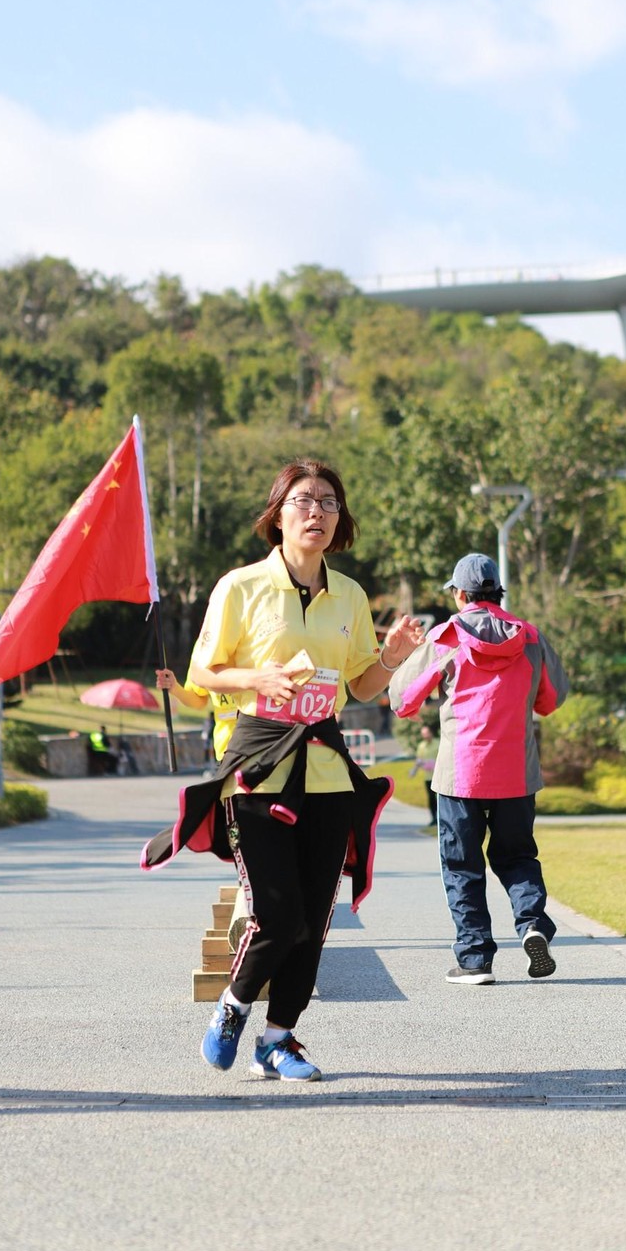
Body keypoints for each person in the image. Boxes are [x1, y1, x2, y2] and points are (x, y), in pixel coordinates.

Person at [144, 458, 424, 1081]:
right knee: (279, 915)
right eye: (304, 499)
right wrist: (258, 678)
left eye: (328, 501)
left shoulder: (348, 593)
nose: (317, 511)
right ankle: (234, 1005)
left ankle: (280, 1039)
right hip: (255, 768)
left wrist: (394, 657)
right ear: (279, 513)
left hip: (325, 770)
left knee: (316, 916)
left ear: (339, 518)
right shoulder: (239, 587)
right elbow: (204, 675)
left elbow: (361, 684)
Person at [388, 553, 569, 985]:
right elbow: (551, 698)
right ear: (497, 590)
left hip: (460, 776)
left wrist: (411, 662)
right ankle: (532, 927)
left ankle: (474, 960)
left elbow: (402, 699)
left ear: (460, 593)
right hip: (516, 775)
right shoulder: (528, 637)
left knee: (462, 865)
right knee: (518, 856)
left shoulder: (446, 636)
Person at [410, 722, 440, 826]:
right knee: (431, 799)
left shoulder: (438, 743)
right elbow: (419, 760)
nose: (425, 736)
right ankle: (434, 818)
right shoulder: (421, 746)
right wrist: (414, 770)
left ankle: (441, 818)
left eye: (427, 733)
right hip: (428, 777)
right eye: (423, 734)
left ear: (431, 733)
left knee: (440, 799)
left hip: (439, 776)